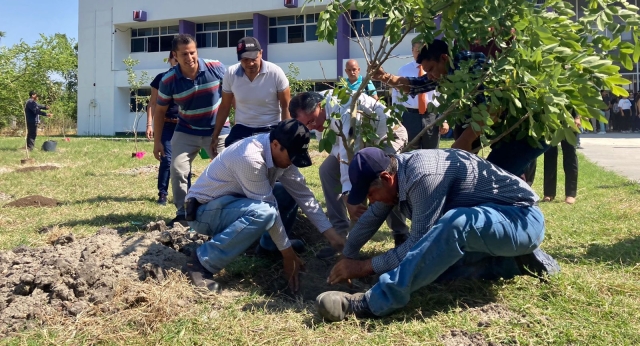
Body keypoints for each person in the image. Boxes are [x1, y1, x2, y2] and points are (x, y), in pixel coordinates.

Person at [315, 147, 560, 321]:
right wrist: (346, 255)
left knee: (456, 223)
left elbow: (416, 244)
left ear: (386, 178)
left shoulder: (424, 176)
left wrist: (363, 267)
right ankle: (519, 262)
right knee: (432, 270)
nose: (370, 202)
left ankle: (372, 303)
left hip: (520, 219)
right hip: (495, 227)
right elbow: (371, 218)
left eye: (370, 195)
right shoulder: (397, 171)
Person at [183, 119, 345, 293]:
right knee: (264, 212)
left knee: (285, 193)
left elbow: (303, 195)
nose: (292, 162)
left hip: (231, 204)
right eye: (291, 157)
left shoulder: (281, 153)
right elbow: (269, 210)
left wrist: (332, 236)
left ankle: (270, 247)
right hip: (204, 212)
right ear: (276, 145)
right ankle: (201, 263)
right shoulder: (250, 157)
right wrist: (288, 254)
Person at [373, 39, 548, 177]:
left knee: (495, 177)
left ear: (444, 58)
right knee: (501, 176)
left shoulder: (473, 66)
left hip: (532, 128)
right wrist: (384, 77)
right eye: (427, 71)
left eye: (432, 69)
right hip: (509, 132)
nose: (431, 75)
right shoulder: (444, 72)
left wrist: (464, 141)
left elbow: (492, 108)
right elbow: (415, 85)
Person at [289, 91, 409, 258]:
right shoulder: (316, 114)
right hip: (355, 145)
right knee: (327, 171)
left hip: (386, 138)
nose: (311, 127)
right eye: (306, 125)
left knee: (383, 178)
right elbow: (333, 146)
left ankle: (400, 233)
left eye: (312, 121)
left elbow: (349, 150)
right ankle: (340, 235)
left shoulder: (343, 107)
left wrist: (349, 195)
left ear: (320, 106)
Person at [153, 34, 230, 226]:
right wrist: (157, 141)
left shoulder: (216, 68)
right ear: (175, 56)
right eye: (184, 54)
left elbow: (233, 93)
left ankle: (227, 210)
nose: (189, 58)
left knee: (228, 171)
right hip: (186, 130)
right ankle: (183, 213)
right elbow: (160, 111)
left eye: (192, 52)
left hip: (218, 130)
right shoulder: (168, 80)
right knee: (177, 169)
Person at [211, 37, 290, 152]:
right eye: (245, 60)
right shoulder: (231, 73)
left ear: (261, 53)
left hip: (270, 126)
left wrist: (285, 135)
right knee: (231, 151)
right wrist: (215, 135)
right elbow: (225, 106)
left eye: (254, 58)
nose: (250, 63)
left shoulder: (275, 72)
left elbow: (286, 105)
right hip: (243, 127)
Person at [146, 51, 190, 205]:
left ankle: (187, 195)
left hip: (184, 125)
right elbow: (152, 104)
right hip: (166, 125)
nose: (178, 61)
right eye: (175, 58)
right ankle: (162, 194)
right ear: (170, 59)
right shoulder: (161, 78)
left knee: (184, 161)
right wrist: (149, 124)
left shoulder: (188, 79)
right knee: (167, 159)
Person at [393, 38, 449, 150]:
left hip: (431, 115)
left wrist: (444, 119)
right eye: (417, 50)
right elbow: (396, 95)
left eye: (422, 50)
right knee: (410, 151)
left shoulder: (437, 68)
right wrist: (396, 118)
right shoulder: (403, 70)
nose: (419, 53)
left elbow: (441, 95)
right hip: (410, 116)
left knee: (432, 151)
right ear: (412, 50)